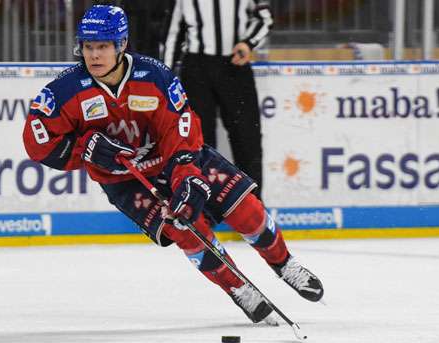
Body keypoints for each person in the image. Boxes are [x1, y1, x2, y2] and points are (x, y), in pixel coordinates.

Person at [23, 4, 323, 325]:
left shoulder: (152, 74)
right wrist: (85, 149)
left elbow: (180, 126)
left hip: (174, 159)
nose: (94, 55)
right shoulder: (66, 89)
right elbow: (37, 142)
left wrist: (185, 176)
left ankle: (284, 263)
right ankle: (238, 288)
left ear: (121, 45)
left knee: (246, 208)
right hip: (125, 181)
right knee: (187, 232)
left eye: (103, 46)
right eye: (88, 47)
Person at [162, 0, 271, 200]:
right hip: (197, 68)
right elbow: (172, 34)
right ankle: (200, 208)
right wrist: (164, 79)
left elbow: (264, 19)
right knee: (198, 143)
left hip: (235, 65)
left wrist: (248, 43)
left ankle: (254, 209)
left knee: (247, 138)